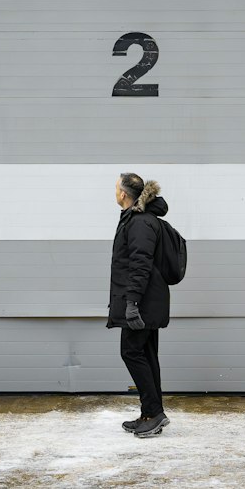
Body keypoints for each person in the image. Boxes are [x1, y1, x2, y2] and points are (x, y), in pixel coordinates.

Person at [108, 171, 171, 438]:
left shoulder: (140, 222)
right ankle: (150, 413)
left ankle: (154, 413)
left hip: (142, 303)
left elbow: (140, 266)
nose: (114, 192)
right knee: (145, 355)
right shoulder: (137, 219)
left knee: (132, 353)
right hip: (146, 301)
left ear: (124, 193)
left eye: (115, 188)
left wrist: (132, 303)